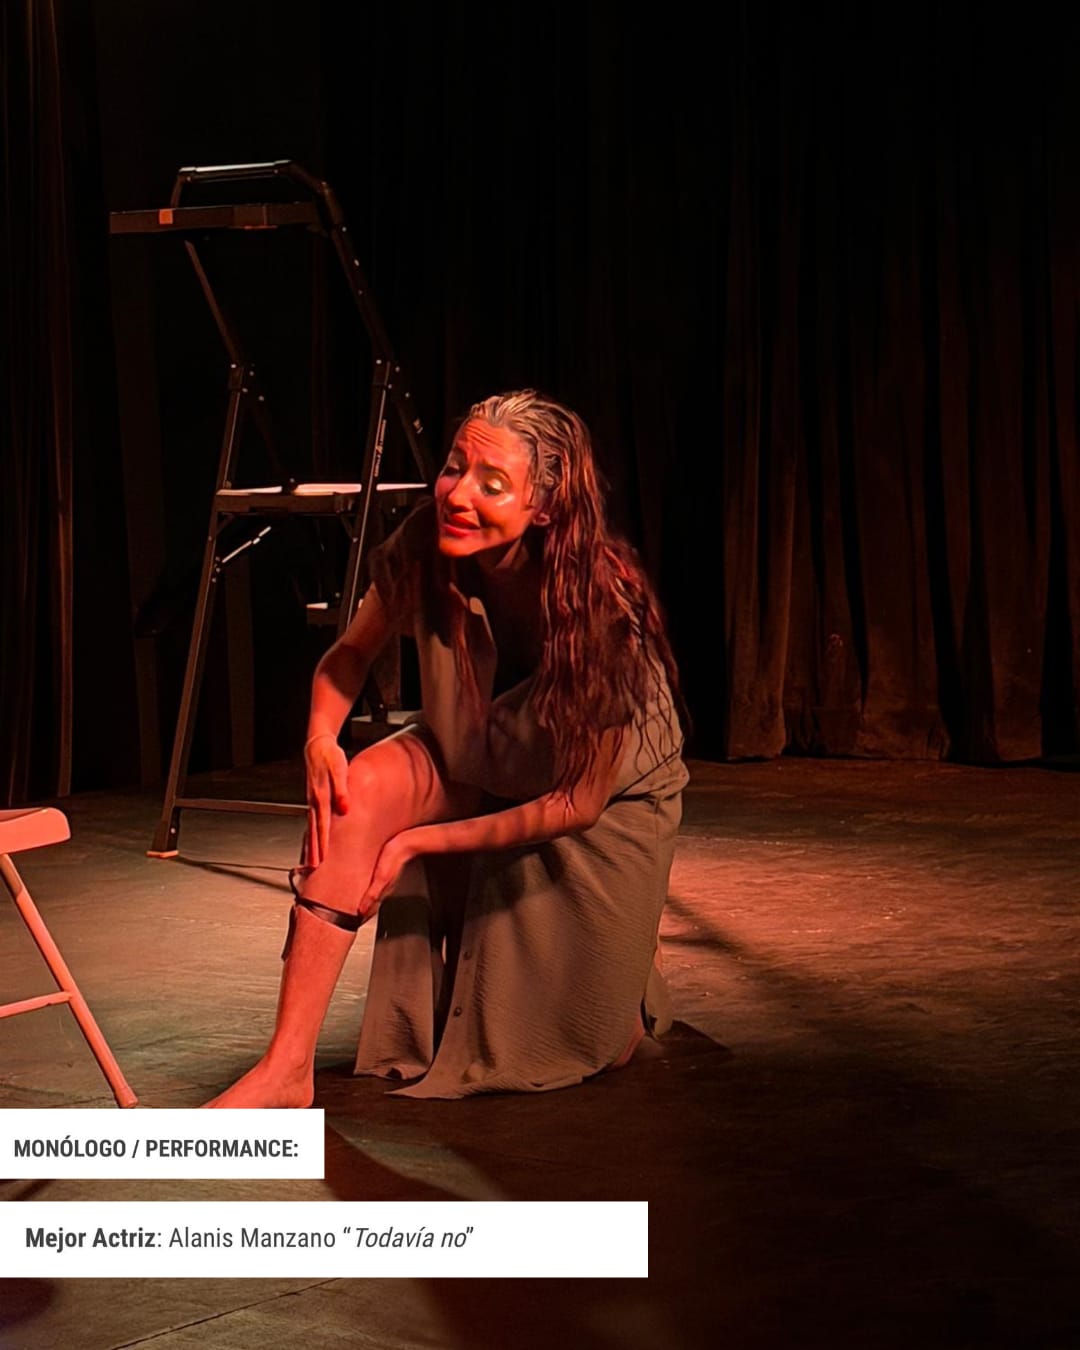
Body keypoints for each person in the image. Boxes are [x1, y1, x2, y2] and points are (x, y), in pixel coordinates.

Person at [205, 390, 689, 1107]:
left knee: (584, 1036)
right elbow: (350, 654)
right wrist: (320, 739)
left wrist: (415, 842)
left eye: (492, 484)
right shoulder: (428, 542)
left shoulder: (600, 604)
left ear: (544, 507)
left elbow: (576, 804)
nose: (459, 495)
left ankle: (625, 969)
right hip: (480, 744)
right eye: (455, 468)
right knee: (359, 793)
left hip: (598, 800)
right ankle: (287, 1068)